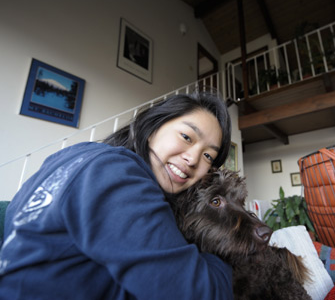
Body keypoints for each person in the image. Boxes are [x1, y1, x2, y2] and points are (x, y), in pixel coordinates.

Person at [0, 92, 233, 299]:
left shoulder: (80, 156)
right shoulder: (116, 175)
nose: (193, 159)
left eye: (208, 156)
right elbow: (199, 293)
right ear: (152, 128)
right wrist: (226, 260)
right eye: (186, 137)